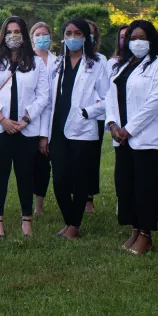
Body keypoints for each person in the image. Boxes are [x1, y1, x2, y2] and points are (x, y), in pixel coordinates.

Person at [39, 18, 110, 239]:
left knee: (80, 179)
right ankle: (69, 221)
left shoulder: (97, 62)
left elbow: (109, 98)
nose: (72, 38)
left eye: (78, 33)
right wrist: (44, 134)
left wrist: (87, 113)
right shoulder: (57, 63)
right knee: (59, 179)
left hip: (83, 129)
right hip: (58, 129)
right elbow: (49, 100)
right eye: (68, 33)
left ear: (86, 37)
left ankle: (74, 225)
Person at [106, 20, 158, 256]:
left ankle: (146, 235)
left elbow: (156, 100)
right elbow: (110, 97)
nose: (136, 42)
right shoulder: (120, 66)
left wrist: (129, 129)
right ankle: (134, 230)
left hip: (147, 138)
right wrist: (113, 124)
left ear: (151, 39)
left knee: (146, 188)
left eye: (142, 37)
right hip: (122, 138)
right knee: (127, 187)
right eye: (132, 38)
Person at [0, 17, 49, 238]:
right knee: (0, 173)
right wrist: (2, 119)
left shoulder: (36, 62)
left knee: (24, 174)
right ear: (3, 34)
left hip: (26, 128)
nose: (13, 36)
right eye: (9, 31)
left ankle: (26, 220)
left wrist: (26, 120)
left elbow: (43, 95)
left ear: (24, 35)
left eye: (17, 31)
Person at [83, 19, 109, 215]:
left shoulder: (101, 60)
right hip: (71, 119)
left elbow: (105, 92)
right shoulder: (64, 58)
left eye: (91, 33)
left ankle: (89, 199)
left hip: (95, 117)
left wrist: (93, 110)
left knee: (91, 160)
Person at [29, 21, 56, 215]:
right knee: (34, 165)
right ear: (32, 39)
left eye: (44, 34)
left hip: (55, 120)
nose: (41, 37)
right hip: (31, 120)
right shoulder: (27, 61)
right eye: (37, 34)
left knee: (46, 165)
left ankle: (39, 206)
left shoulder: (58, 62)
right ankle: (29, 204)